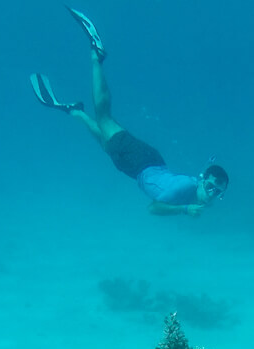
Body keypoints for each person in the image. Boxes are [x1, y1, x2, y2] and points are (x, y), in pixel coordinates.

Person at [31, 7, 229, 217]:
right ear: (202, 179)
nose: (211, 194)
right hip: (141, 162)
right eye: (210, 187)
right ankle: (96, 57)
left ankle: (75, 112)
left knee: (108, 145)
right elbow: (153, 208)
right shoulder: (185, 189)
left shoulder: (199, 194)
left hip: (144, 166)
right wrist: (185, 209)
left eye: (217, 193)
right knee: (104, 116)